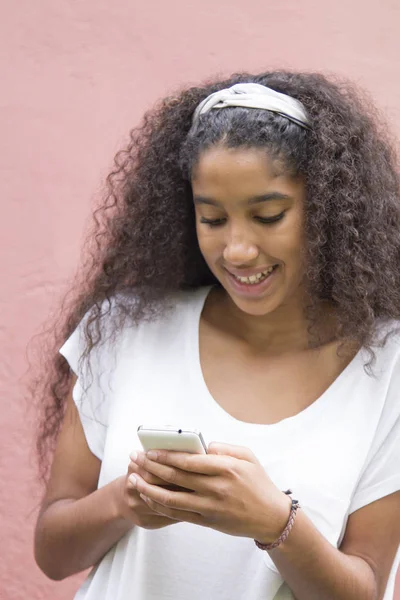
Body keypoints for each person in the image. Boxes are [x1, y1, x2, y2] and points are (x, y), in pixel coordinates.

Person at [33, 71, 400, 600]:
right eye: (213, 218)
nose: (237, 250)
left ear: (327, 209)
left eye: (268, 215)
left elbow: (363, 586)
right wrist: (128, 501)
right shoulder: (124, 328)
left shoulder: (383, 364)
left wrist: (276, 524)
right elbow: (53, 553)